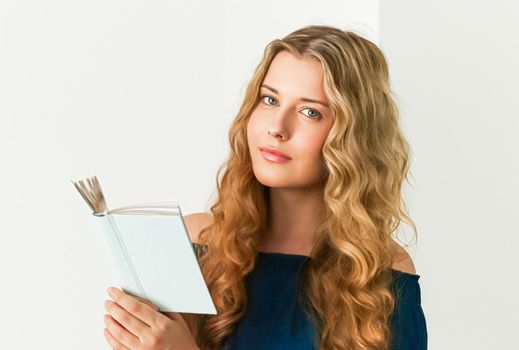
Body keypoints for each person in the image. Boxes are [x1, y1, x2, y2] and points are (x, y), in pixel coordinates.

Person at [102, 24, 428, 350]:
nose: (277, 127)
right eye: (270, 100)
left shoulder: (382, 275)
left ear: (352, 138)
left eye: (310, 112)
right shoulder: (193, 242)